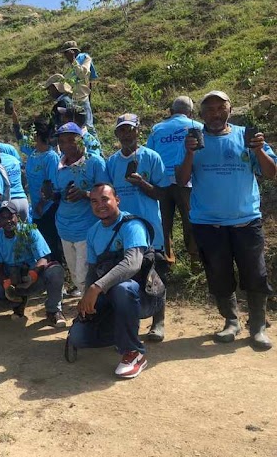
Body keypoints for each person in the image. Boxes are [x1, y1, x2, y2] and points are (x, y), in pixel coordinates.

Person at [177, 90, 276, 350]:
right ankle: (231, 321)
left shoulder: (246, 136)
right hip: (208, 223)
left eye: (221, 108)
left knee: (255, 274)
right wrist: (189, 153)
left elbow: (271, 172)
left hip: (246, 220)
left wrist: (259, 150)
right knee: (218, 274)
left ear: (230, 110)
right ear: (200, 115)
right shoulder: (193, 141)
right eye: (209, 110)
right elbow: (181, 179)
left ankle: (258, 326)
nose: (215, 114)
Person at [67, 184, 164, 379]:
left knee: (123, 288)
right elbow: (93, 271)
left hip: (144, 297)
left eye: (105, 199)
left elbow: (132, 264)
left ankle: (133, 353)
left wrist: (96, 288)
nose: (100, 205)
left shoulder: (133, 225)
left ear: (117, 200)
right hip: (111, 297)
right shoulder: (93, 231)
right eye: (94, 201)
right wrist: (87, 299)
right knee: (79, 337)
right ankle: (121, 332)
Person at [106, 113, 168, 340]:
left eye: (130, 129)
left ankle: (158, 322)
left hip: (150, 228)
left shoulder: (152, 157)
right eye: (122, 130)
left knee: (155, 276)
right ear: (116, 134)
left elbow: (163, 193)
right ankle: (128, 322)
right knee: (126, 278)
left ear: (138, 131)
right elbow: (108, 195)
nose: (126, 134)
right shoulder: (111, 162)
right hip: (123, 230)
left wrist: (141, 183)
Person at [49, 122, 109, 297]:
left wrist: (85, 194)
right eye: (62, 141)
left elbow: (106, 194)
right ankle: (89, 306)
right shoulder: (58, 165)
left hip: (87, 229)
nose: (66, 145)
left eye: (70, 140)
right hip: (65, 228)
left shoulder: (94, 162)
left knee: (84, 276)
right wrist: (52, 194)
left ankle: (91, 311)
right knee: (75, 276)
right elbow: (59, 193)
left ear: (81, 140)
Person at [0, 202, 65, 324]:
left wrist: (33, 275)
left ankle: (54, 311)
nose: (8, 221)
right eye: (3, 218)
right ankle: (18, 302)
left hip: (33, 277)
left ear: (17, 217)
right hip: (11, 277)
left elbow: (44, 257)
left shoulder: (30, 231)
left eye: (10, 217)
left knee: (55, 270)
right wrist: (7, 285)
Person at [146, 96, 202, 264]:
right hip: (187, 181)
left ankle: (167, 259)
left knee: (164, 222)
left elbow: (149, 154)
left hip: (161, 182)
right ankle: (195, 259)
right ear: (190, 113)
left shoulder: (157, 129)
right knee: (191, 219)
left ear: (170, 112)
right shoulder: (198, 127)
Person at [11, 117, 64, 264]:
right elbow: (20, 139)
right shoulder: (33, 152)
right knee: (42, 247)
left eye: (31, 134)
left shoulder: (51, 157)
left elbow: (52, 184)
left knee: (51, 245)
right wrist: (15, 118)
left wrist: (42, 203)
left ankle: (59, 277)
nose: (28, 137)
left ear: (38, 136)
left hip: (48, 208)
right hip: (36, 209)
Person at [60, 40, 97, 130]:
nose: (66, 55)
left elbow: (82, 75)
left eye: (68, 52)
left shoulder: (85, 58)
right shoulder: (66, 65)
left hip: (82, 98)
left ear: (75, 51)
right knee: (74, 126)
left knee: (88, 125)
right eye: (65, 53)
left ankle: (94, 144)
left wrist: (74, 61)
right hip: (71, 99)